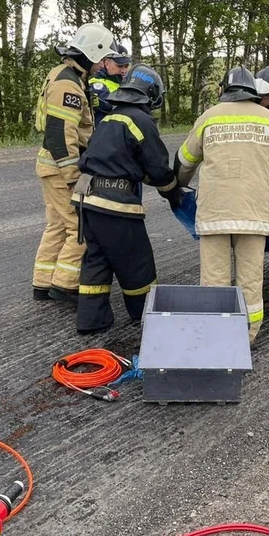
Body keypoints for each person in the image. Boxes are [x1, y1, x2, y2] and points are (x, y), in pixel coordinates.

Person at [175, 66, 269, 344]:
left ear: (223, 91)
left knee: (214, 280)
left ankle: (215, 340)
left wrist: (178, 185)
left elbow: (184, 162)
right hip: (253, 212)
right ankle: (246, 338)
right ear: (253, 91)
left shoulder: (208, 117)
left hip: (214, 213)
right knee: (250, 280)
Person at [73, 65, 183, 332]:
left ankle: (91, 321)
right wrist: (174, 193)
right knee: (136, 261)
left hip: (87, 199)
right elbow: (157, 168)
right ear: (151, 94)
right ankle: (144, 314)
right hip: (115, 205)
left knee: (97, 260)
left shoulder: (110, 118)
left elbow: (126, 164)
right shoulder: (141, 121)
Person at [32, 23, 124, 305]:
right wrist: (73, 175)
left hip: (50, 166)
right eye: (102, 58)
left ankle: (43, 282)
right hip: (62, 168)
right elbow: (61, 133)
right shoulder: (67, 84)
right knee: (79, 226)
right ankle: (66, 284)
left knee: (57, 225)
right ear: (92, 53)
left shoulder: (64, 76)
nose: (103, 65)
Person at [88, 46, 132, 126]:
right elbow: (107, 106)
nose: (124, 71)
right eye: (119, 66)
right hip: (103, 132)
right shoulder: (96, 83)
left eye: (126, 66)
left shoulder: (126, 83)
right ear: (107, 64)